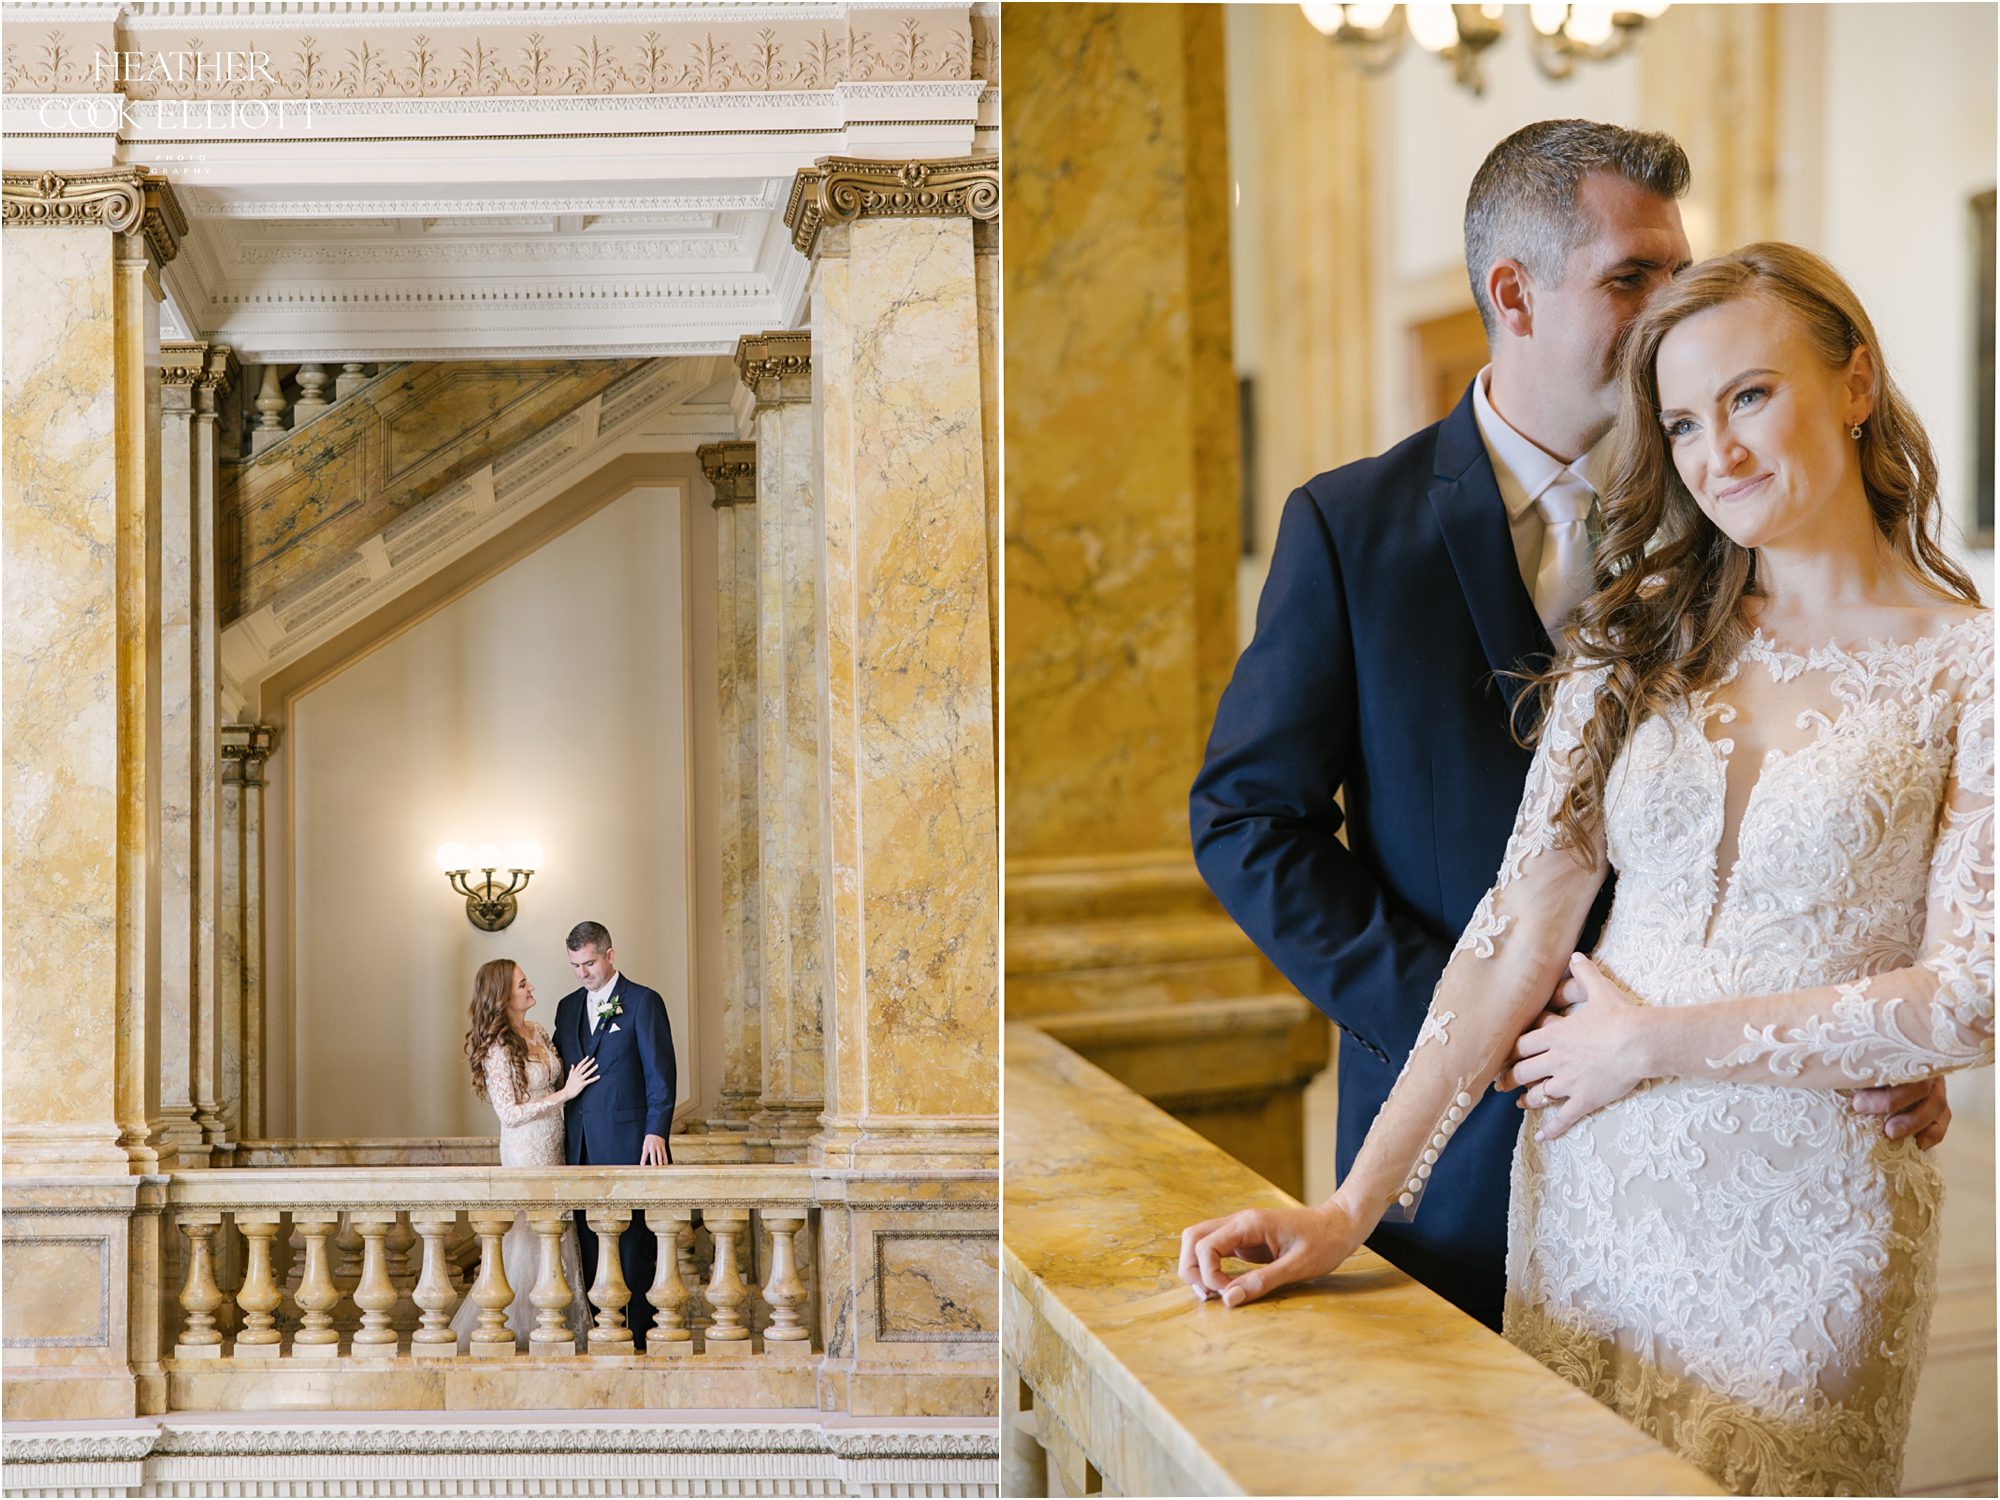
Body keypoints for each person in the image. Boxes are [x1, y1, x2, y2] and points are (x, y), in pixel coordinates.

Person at [1179, 241, 1992, 1495]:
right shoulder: (1633, 644)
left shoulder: (1968, 669)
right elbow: (1516, 929)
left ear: (1854, 382)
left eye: (1748, 396)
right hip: (1589, 1196)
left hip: (1813, 1215)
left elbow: (1970, 991)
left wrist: (1653, 1043)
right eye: (1676, 420)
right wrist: (1348, 1208)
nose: (1712, 453)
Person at [453, 957, 596, 1351]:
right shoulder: (497, 1046)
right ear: (502, 995)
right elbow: (510, 1113)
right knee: (528, 1237)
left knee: (557, 1232)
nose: (530, 988)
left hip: (555, 1143)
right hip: (526, 1148)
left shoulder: (537, 1030)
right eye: (521, 984)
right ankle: (521, 1327)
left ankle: (558, 1321)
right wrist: (565, 1094)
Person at [551, 919, 677, 1351]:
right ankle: (602, 1333)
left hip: (631, 1145)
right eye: (574, 965)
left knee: (633, 1247)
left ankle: (639, 1336)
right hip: (579, 1145)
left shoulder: (643, 1002)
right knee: (588, 1244)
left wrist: (655, 1132)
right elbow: (558, 1073)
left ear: (609, 955)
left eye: (588, 963)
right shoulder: (567, 1008)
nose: (582, 973)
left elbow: (660, 1074)